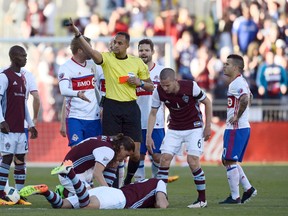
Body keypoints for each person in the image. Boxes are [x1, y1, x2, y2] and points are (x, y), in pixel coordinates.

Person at [67, 18, 154, 187]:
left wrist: (140, 83)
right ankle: (112, 187)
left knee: (135, 154)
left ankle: (128, 181)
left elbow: (151, 86)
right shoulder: (107, 59)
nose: (116, 45)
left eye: (120, 43)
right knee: (111, 151)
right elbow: (91, 52)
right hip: (112, 108)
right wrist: (78, 34)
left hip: (131, 108)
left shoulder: (136, 62)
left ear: (127, 46)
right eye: (114, 42)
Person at [146, 68, 212, 208]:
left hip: (194, 127)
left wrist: (207, 127)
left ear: (175, 81)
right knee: (164, 159)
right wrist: (148, 136)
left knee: (192, 161)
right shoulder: (159, 91)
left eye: (167, 85)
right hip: (174, 128)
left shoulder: (190, 86)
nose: (165, 88)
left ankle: (202, 200)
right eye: (163, 85)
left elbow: (208, 103)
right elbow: (153, 113)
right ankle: (162, 198)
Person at [20, 160, 169, 209]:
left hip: (109, 191)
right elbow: (162, 205)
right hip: (120, 198)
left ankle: (46, 191)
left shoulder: (145, 182)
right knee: (87, 206)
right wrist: (162, 201)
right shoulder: (160, 182)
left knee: (62, 205)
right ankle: (71, 174)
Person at [134, 39, 178, 183]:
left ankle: (156, 185)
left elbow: (170, 94)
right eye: (141, 50)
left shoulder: (161, 72)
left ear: (152, 52)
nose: (143, 53)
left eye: (146, 50)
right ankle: (140, 185)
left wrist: (172, 112)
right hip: (137, 121)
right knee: (137, 156)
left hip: (157, 122)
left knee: (157, 156)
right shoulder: (133, 71)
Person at [0, 45, 38, 205]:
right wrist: (1, 120)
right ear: (15, 58)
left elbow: (23, 105)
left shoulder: (23, 78)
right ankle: (1, 193)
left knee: (20, 158)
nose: (25, 58)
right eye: (23, 56)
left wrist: (30, 124)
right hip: (7, 127)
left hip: (21, 129)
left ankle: (20, 194)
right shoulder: (4, 76)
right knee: (7, 158)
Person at [219, 54, 257, 204]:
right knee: (227, 160)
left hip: (237, 128)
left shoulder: (237, 83)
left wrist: (237, 116)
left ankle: (235, 197)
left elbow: (246, 99)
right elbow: (250, 96)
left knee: (229, 160)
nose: (224, 66)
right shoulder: (239, 82)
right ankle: (248, 189)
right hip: (236, 128)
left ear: (235, 67)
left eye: (227, 64)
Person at [52, 134, 135, 198]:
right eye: (126, 155)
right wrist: (109, 192)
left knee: (113, 163)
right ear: (122, 147)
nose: (123, 159)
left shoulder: (109, 142)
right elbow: (97, 173)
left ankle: (80, 191)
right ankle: (64, 192)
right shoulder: (109, 151)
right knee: (90, 200)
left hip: (82, 171)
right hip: (70, 174)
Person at [57, 35, 102, 147]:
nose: (91, 50)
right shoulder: (66, 67)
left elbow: (97, 89)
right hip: (75, 117)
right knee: (77, 152)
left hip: (94, 118)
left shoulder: (93, 65)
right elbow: (63, 91)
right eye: (89, 47)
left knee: (94, 152)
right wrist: (78, 94)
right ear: (80, 50)